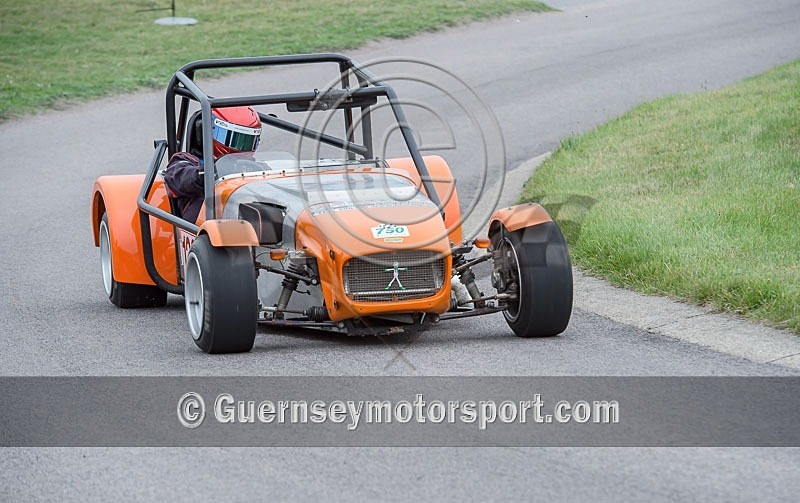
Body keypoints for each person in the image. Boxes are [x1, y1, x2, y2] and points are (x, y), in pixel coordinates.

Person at [164, 106, 262, 223]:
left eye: (247, 141)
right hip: (203, 228)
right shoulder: (186, 162)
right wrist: (208, 173)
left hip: (245, 224)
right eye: (233, 139)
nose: (240, 147)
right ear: (208, 132)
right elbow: (177, 178)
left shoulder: (256, 168)